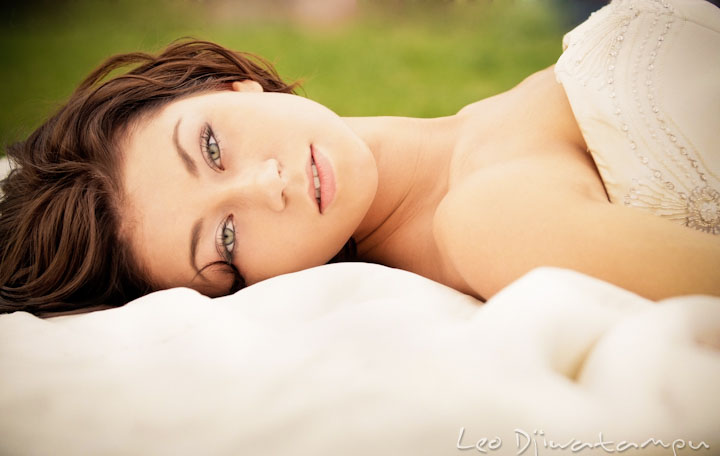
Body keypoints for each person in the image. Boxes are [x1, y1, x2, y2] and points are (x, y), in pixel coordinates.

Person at [2, 0, 719, 316]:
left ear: (227, 84)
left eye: (212, 147)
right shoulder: (489, 217)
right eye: (225, 238)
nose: (268, 185)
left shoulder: (484, 135)